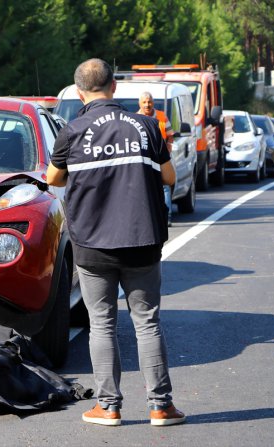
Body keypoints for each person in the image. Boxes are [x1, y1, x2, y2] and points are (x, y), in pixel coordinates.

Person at [46, 58, 185, 426]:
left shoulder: (72, 131)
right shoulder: (147, 126)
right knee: (148, 323)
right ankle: (161, 406)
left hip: (93, 245)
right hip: (142, 241)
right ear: (114, 87)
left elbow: (53, 178)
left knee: (102, 325)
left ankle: (108, 407)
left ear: (79, 93)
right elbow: (169, 177)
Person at [138, 91, 174, 227]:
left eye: (149, 102)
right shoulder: (135, 118)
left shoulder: (161, 116)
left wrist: (169, 147)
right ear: (140, 104)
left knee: (165, 186)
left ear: (153, 102)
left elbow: (170, 134)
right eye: (144, 102)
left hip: (161, 158)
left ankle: (167, 216)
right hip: (145, 158)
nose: (147, 105)